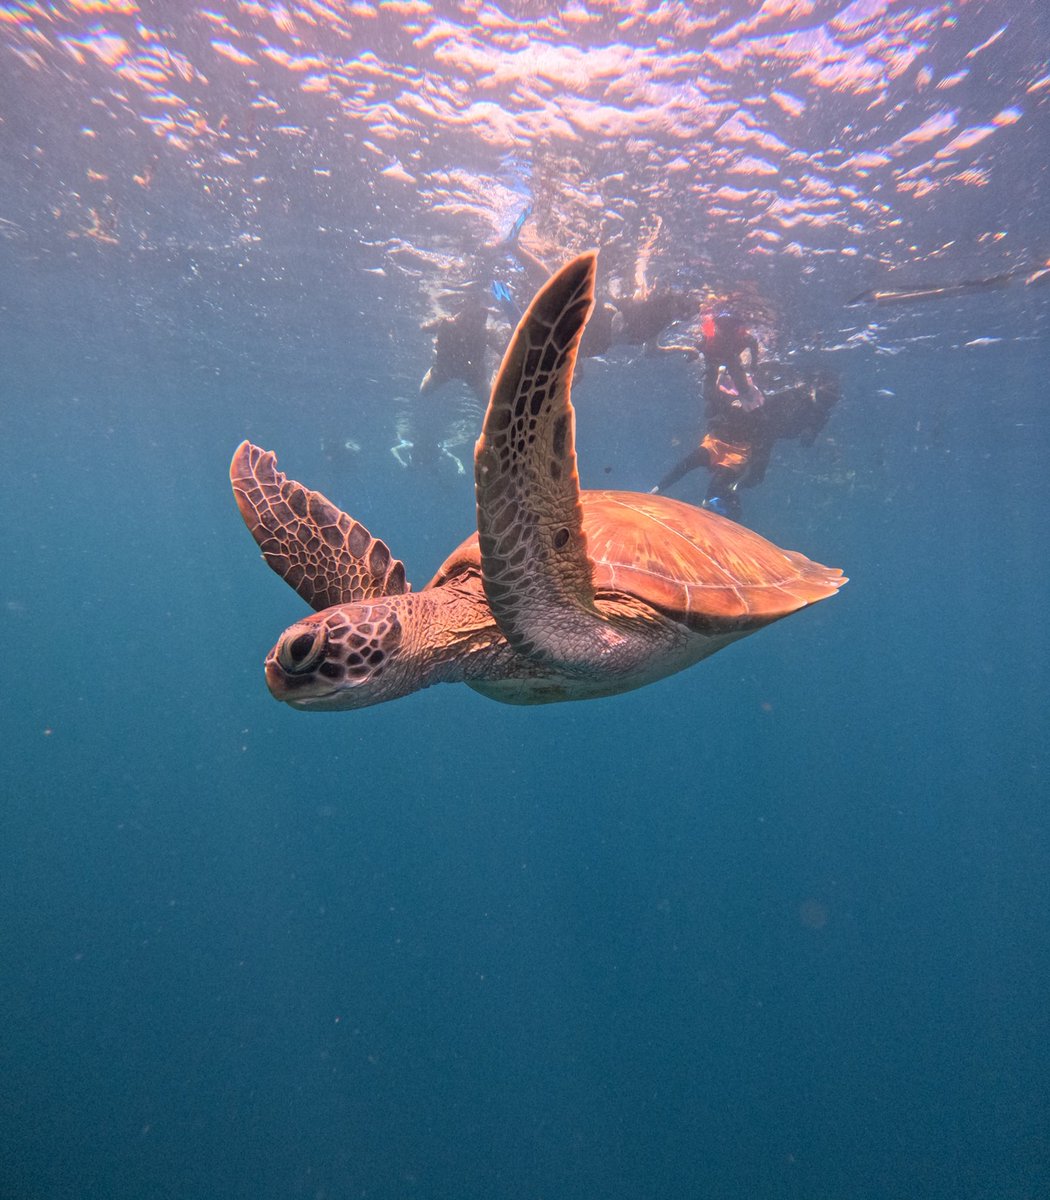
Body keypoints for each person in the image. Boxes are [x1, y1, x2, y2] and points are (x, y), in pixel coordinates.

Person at [652, 362, 840, 520]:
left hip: (753, 442)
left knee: (743, 480)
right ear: (815, 389)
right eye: (823, 398)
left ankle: (727, 497)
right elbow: (754, 406)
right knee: (691, 465)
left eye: (828, 403)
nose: (823, 404)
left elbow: (798, 438)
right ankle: (660, 492)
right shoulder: (794, 393)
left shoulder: (819, 415)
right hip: (742, 437)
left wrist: (808, 435)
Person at [694, 309, 764, 412]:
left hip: (732, 359)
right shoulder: (708, 337)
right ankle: (714, 402)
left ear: (737, 327)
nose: (726, 331)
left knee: (743, 386)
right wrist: (693, 353)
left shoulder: (744, 338)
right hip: (713, 360)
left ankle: (742, 398)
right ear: (716, 326)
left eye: (730, 326)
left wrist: (754, 363)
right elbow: (696, 347)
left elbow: (754, 345)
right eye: (723, 325)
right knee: (707, 391)